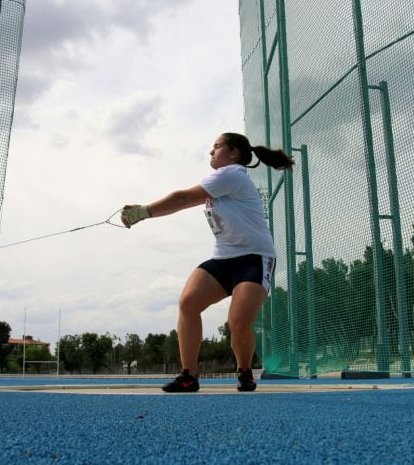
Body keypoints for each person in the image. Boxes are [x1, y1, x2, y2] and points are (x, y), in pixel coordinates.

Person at [121, 132, 294, 392]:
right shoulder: (223, 179)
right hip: (223, 257)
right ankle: (188, 376)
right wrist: (145, 210)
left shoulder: (233, 174)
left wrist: (144, 212)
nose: (210, 152)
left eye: (216, 147)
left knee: (237, 322)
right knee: (188, 303)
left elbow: (182, 199)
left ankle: (245, 370)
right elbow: (185, 201)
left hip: (255, 258)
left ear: (233, 153)